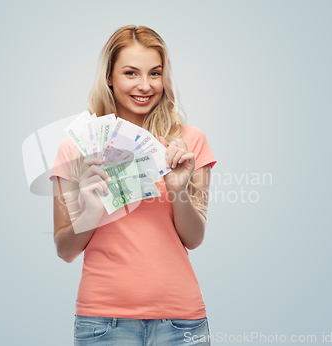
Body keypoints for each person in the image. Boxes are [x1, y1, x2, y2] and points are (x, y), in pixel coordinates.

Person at [49, 25, 217, 346]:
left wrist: (179, 190)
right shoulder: (77, 148)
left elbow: (194, 239)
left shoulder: (189, 143)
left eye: (155, 73)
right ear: (109, 77)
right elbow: (65, 250)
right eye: (130, 73)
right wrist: (92, 211)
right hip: (102, 322)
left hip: (181, 321)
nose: (144, 85)